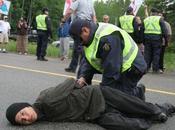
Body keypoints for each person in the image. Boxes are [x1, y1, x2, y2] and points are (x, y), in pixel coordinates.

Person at [6, 78, 175, 130]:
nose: (25, 118)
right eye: (22, 121)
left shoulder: (45, 99)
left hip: (100, 95)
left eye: (22, 113)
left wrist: (79, 84)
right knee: (128, 125)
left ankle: (162, 109)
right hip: (95, 114)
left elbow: (69, 82)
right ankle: (147, 115)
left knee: (142, 108)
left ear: (26, 106)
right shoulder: (44, 116)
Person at [69, 19, 147, 100]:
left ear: (85, 30)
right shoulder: (89, 39)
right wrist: (83, 77)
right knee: (112, 95)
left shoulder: (107, 38)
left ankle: (138, 92)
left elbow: (112, 70)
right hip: (120, 67)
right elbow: (88, 61)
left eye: (80, 39)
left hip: (133, 67)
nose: (81, 43)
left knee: (119, 100)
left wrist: (104, 92)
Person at [63, 0, 96, 73]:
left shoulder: (78, 1)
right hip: (89, 25)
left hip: (80, 23)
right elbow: (93, 16)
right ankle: (83, 68)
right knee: (86, 47)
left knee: (78, 46)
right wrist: (94, 27)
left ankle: (74, 68)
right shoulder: (90, 3)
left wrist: (63, 20)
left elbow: (69, 11)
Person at [143, 8, 168, 73]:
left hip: (147, 38)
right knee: (156, 54)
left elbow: (142, 30)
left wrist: (142, 40)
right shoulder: (159, 19)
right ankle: (155, 69)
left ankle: (146, 68)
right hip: (157, 39)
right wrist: (166, 40)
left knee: (147, 54)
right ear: (157, 13)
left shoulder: (146, 19)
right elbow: (164, 31)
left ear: (151, 12)